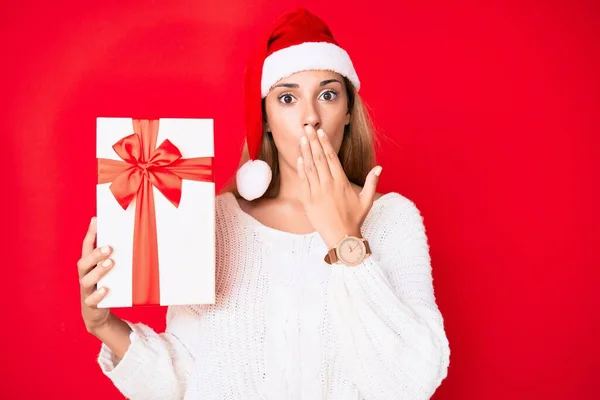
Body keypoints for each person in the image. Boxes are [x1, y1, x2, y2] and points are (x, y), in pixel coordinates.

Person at [77, 8, 451, 400]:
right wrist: (103, 323)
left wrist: (346, 241)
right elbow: (186, 380)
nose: (310, 117)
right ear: (266, 118)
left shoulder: (393, 220)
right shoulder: (217, 221)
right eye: (287, 97)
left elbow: (411, 382)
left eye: (327, 94)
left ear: (347, 113)